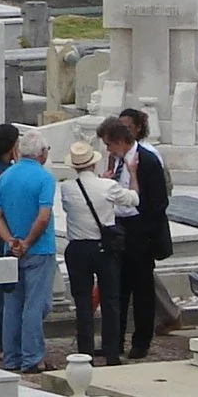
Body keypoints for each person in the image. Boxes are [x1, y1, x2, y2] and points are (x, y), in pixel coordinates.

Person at [0, 122, 55, 373]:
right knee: (35, 305)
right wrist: (27, 242)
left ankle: (11, 356)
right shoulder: (44, 178)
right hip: (39, 248)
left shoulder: (6, 176)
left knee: (13, 306)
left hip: (11, 248)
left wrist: (10, 240)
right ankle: (32, 357)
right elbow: (44, 216)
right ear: (42, 153)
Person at [107, 108, 173, 360]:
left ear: (122, 141)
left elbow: (158, 202)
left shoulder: (147, 160)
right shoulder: (115, 161)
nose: (109, 150)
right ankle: (115, 339)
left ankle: (141, 341)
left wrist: (145, 232)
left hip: (140, 231)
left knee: (142, 291)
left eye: (110, 144)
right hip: (119, 227)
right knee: (117, 289)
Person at [62, 136, 134, 364]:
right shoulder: (108, 186)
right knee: (111, 301)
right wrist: (132, 175)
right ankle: (112, 352)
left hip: (78, 247)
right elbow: (133, 199)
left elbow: (69, 207)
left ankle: (86, 352)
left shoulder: (67, 188)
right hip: (103, 247)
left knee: (82, 302)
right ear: (93, 164)